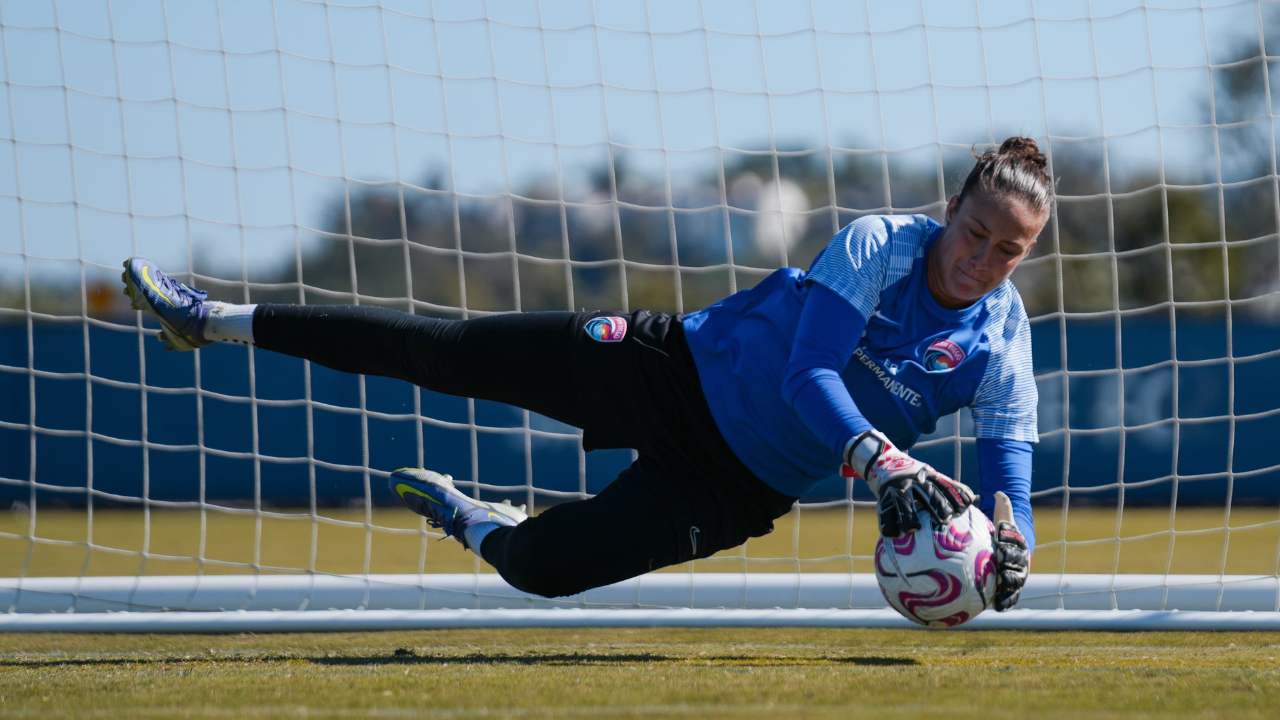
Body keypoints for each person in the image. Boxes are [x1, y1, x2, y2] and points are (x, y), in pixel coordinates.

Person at [122, 137, 1045, 611]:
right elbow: (810, 374)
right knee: (439, 352)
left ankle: (475, 517)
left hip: (731, 487)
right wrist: (883, 461)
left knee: (542, 571)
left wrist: (1012, 546)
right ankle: (212, 319)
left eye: (1008, 251)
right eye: (975, 232)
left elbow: (1011, 477)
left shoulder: (1004, 345)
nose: (981, 260)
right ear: (949, 206)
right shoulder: (880, 244)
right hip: (668, 368)